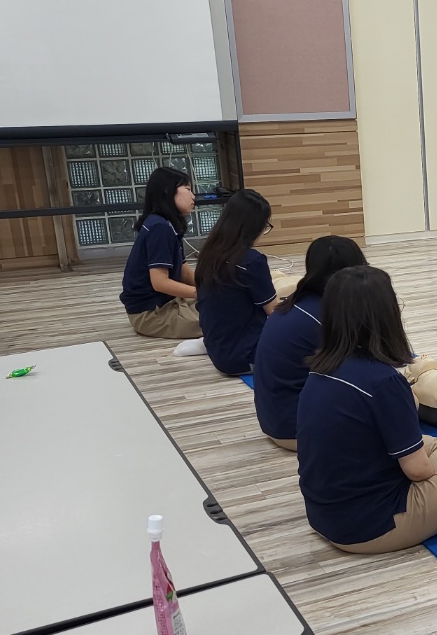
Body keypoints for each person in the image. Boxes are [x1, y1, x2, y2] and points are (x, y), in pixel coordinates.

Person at [296, 265, 437, 553]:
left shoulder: (321, 367)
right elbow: (419, 472)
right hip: (372, 527)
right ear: (386, 315)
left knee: (432, 445)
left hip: (326, 516)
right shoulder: (382, 381)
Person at [251, 235, 367, 451]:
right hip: (298, 430)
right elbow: (365, 375)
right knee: (403, 401)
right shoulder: (325, 316)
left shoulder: (297, 303)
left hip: (275, 420)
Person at [194, 189, 279, 376]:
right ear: (252, 227)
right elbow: (273, 312)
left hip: (218, 348)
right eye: (264, 226)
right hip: (244, 356)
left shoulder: (209, 253)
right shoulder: (251, 260)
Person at [119, 166, 200, 339]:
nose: (193, 196)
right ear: (167, 191)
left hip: (163, 305)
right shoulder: (159, 228)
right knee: (224, 317)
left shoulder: (166, 224)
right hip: (150, 314)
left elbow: (183, 270)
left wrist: (208, 287)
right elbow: (160, 283)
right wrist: (202, 293)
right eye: (188, 189)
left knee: (224, 303)